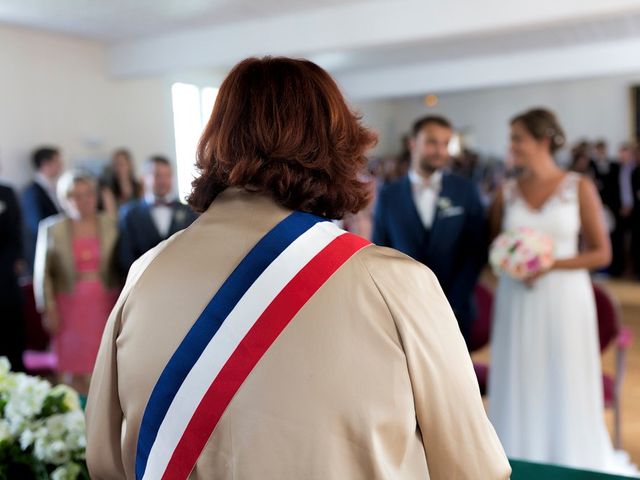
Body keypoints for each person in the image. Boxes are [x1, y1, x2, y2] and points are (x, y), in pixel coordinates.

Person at [86, 56, 510, 480]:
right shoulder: (393, 283)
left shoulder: (145, 274)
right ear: (339, 145)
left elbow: (104, 459)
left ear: (215, 141)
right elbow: (474, 467)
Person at [488, 108, 636, 475]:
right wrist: (511, 262)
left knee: (562, 373)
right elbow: (494, 244)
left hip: (566, 299)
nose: (512, 146)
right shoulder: (506, 193)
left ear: (541, 140)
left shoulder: (578, 187)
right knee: (519, 373)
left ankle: (569, 456)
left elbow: (602, 252)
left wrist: (549, 264)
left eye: (517, 137)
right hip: (516, 299)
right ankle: (516, 453)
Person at [372, 115, 487, 345]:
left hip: (455, 307)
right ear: (412, 143)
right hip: (405, 308)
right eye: (432, 142)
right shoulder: (389, 195)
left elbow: (476, 250)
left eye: (446, 143)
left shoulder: (465, 190)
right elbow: (380, 250)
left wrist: (453, 301)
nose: (440, 151)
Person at [33, 170, 120, 395]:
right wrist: (47, 308)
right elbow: (42, 274)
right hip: (68, 305)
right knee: (73, 365)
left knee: (104, 362)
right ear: (64, 199)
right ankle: (74, 414)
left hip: (105, 302)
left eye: (88, 194)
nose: (83, 201)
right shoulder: (52, 228)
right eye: (75, 195)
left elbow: (124, 265)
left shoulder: (112, 224)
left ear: (96, 196)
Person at [116, 155, 197, 276]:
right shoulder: (129, 214)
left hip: (182, 279)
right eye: (157, 175)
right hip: (142, 284)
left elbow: (194, 251)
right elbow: (125, 257)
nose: (163, 181)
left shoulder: (189, 212)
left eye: (167, 175)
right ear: (144, 178)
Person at [22, 147, 63, 269]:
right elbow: (37, 225)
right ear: (46, 164)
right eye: (57, 161)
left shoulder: (54, 188)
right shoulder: (32, 192)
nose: (61, 165)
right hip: (43, 253)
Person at [0, 182, 26, 371]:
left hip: (5, 273)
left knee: (11, 328)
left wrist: (15, 260)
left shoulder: (6, 192)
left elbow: (17, 231)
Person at [100, 148, 143, 216]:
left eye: (122, 164)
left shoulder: (139, 187)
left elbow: (143, 209)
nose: (119, 168)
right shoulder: (108, 190)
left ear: (130, 165)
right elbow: (111, 214)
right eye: (116, 165)